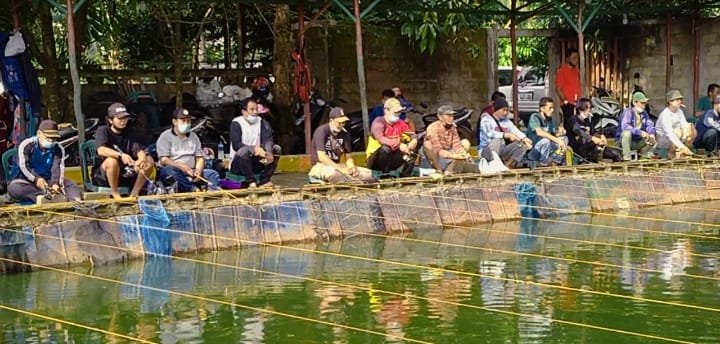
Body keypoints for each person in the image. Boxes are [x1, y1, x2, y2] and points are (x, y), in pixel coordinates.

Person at [7, 120, 82, 203]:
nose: (51, 141)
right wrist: (36, 179)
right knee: (15, 188)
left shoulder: (58, 148)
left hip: (48, 180)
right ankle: (46, 197)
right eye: (48, 137)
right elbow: (24, 166)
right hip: (28, 181)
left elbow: (57, 168)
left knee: (70, 184)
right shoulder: (27, 145)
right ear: (39, 133)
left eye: (54, 138)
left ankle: (76, 201)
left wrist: (55, 183)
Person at [93, 103, 154, 199]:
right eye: (120, 119)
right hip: (105, 174)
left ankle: (135, 192)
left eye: (125, 118)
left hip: (127, 172)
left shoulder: (130, 132)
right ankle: (115, 193)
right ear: (110, 120)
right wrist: (120, 155)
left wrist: (141, 159)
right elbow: (101, 150)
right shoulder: (103, 131)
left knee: (149, 161)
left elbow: (139, 149)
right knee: (111, 161)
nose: (123, 121)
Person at [156, 108, 220, 192]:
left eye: (188, 121)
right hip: (176, 170)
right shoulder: (165, 137)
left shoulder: (194, 136)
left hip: (192, 171)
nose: (186, 123)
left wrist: (198, 171)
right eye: (183, 121)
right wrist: (181, 166)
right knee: (168, 172)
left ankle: (212, 193)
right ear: (175, 122)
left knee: (212, 174)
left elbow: (199, 157)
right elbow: (164, 160)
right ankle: (193, 189)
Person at [308, 107, 374, 183]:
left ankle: (351, 179)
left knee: (369, 174)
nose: (341, 125)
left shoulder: (345, 134)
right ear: (331, 121)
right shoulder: (321, 131)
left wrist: (351, 167)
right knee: (334, 174)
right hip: (320, 165)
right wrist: (340, 169)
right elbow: (322, 157)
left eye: (343, 122)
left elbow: (348, 157)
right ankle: (352, 181)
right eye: (339, 122)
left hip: (337, 165)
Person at [229, 98, 280, 188]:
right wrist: (254, 149)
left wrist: (268, 153)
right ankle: (251, 181)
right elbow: (236, 145)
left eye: (256, 109)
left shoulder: (262, 122)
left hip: (256, 161)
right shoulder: (236, 123)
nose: (255, 112)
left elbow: (267, 139)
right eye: (252, 109)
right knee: (244, 151)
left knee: (276, 148)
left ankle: (265, 180)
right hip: (239, 164)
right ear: (244, 112)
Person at [366, 98, 418, 177]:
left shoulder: (400, 123)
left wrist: (414, 140)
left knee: (413, 147)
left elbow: (411, 133)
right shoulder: (378, 122)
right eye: (396, 112)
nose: (398, 114)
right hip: (376, 160)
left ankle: (405, 175)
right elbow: (381, 139)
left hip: (393, 157)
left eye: (399, 112)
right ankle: (385, 174)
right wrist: (399, 144)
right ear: (387, 111)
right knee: (385, 148)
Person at [422, 105, 477, 175]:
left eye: (452, 116)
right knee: (428, 145)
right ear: (440, 117)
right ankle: (438, 169)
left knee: (465, 143)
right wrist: (455, 156)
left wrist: (463, 154)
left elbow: (457, 145)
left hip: (448, 152)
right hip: (436, 156)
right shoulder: (432, 128)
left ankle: (449, 170)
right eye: (448, 116)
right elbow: (438, 150)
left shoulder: (453, 127)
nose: (451, 118)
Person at [477, 98, 531, 168]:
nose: (505, 113)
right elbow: (489, 133)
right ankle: (493, 165)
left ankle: (507, 166)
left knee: (521, 145)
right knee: (497, 140)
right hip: (486, 151)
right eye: (503, 110)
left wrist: (524, 138)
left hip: (502, 150)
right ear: (496, 110)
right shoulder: (486, 120)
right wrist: (505, 135)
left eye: (507, 110)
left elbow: (515, 131)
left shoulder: (507, 121)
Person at [571, 98, 623, 163]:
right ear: (580, 109)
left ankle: (595, 157)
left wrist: (601, 136)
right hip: (577, 146)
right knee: (585, 139)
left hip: (587, 146)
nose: (589, 110)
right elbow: (578, 131)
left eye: (590, 108)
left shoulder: (587, 120)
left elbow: (593, 131)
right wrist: (593, 138)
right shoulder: (574, 119)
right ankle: (584, 159)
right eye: (587, 108)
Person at [526, 97, 568, 166]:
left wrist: (560, 133)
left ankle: (555, 161)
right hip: (534, 150)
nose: (552, 110)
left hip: (547, 149)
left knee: (564, 139)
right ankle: (543, 163)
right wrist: (557, 140)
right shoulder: (535, 117)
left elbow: (553, 134)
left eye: (553, 108)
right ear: (542, 109)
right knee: (546, 141)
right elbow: (539, 132)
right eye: (550, 108)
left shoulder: (550, 120)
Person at [616, 92, 656, 161]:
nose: (644, 106)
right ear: (634, 103)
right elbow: (625, 126)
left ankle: (645, 157)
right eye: (642, 103)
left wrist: (652, 133)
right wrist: (640, 132)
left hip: (636, 141)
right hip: (624, 142)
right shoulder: (628, 112)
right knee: (627, 133)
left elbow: (649, 124)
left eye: (644, 103)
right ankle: (627, 158)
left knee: (654, 138)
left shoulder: (644, 113)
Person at [656, 90, 696, 158]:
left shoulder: (679, 111)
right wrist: (682, 146)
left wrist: (686, 135)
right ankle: (671, 153)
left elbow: (684, 125)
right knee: (677, 132)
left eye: (680, 99)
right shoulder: (665, 114)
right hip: (663, 139)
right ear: (670, 102)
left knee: (691, 128)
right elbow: (669, 133)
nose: (680, 101)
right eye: (677, 100)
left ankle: (683, 151)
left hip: (676, 138)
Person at [555, 49, 582, 136]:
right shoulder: (562, 71)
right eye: (573, 58)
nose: (576, 60)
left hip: (576, 102)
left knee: (577, 124)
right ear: (568, 59)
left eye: (577, 58)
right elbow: (558, 88)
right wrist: (565, 100)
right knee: (569, 124)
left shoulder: (576, 71)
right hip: (567, 103)